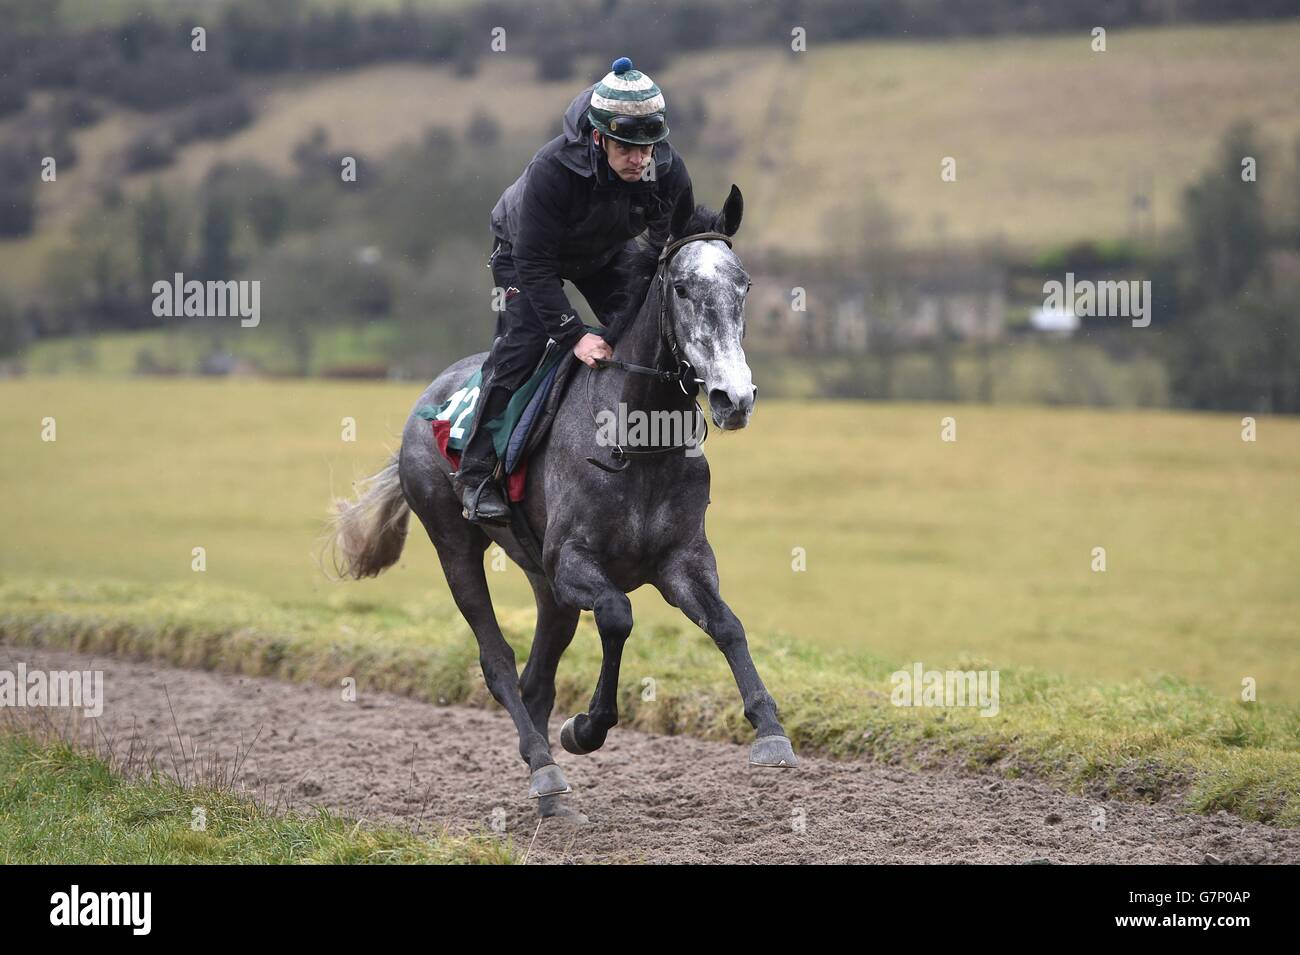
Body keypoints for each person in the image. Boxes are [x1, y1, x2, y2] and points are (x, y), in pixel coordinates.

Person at [454, 56, 694, 524]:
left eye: (649, 147)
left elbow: (671, 247)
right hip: (526, 257)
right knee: (523, 348)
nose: (641, 159)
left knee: (653, 328)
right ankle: (476, 471)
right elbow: (535, 264)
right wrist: (574, 336)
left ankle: (661, 442)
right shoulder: (553, 169)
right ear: (599, 137)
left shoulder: (666, 168)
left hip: (603, 254)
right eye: (627, 148)